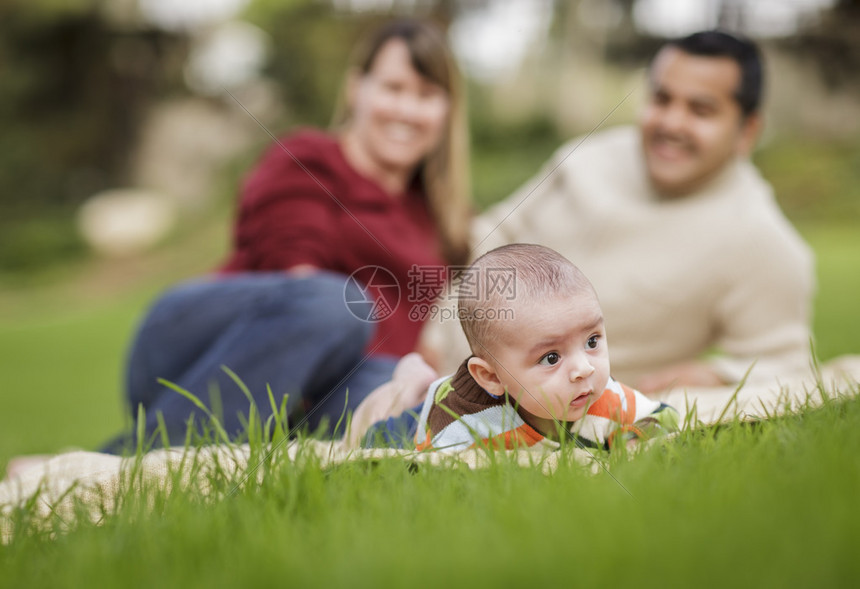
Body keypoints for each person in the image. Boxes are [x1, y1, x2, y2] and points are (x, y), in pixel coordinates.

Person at [103, 18, 472, 452]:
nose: (407, 111)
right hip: (201, 355)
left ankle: (131, 462)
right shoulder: (308, 159)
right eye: (393, 88)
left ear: (446, 109)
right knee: (339, 305)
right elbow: (299, 277)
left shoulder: (442, 216)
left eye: (426, 95)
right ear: (357, 89)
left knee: (418, 395)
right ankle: (114, 462)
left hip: (324, 388)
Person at [422, 30, 815, 395]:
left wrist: (715, 375)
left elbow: (787, 365)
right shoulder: (586, 158)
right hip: (425, 350)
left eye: (701, 110)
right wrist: (428, 336)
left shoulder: (760, 238)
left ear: (747, 131)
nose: (671, 122)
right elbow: (489, 236)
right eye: (661, 99)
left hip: (535, 411)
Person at [360, 244, 679, 451]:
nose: (585, 369)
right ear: (491, 376)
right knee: (384, 413)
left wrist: (640, 445)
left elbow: (662, 420)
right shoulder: (463, 428)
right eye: (551, 357)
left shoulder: (604, 398)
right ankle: (412, 385)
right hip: (424, 413)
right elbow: (409, 467)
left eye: (591, 341)